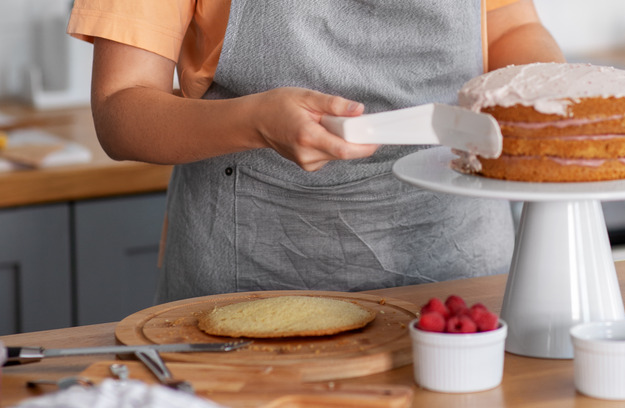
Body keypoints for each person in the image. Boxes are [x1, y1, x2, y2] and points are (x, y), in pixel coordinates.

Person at [68, 0, 565, 303]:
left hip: (464, 278)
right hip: (248, 285)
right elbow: (119, 109)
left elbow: (509, 28)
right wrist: (255, 121)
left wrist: (550, 93)